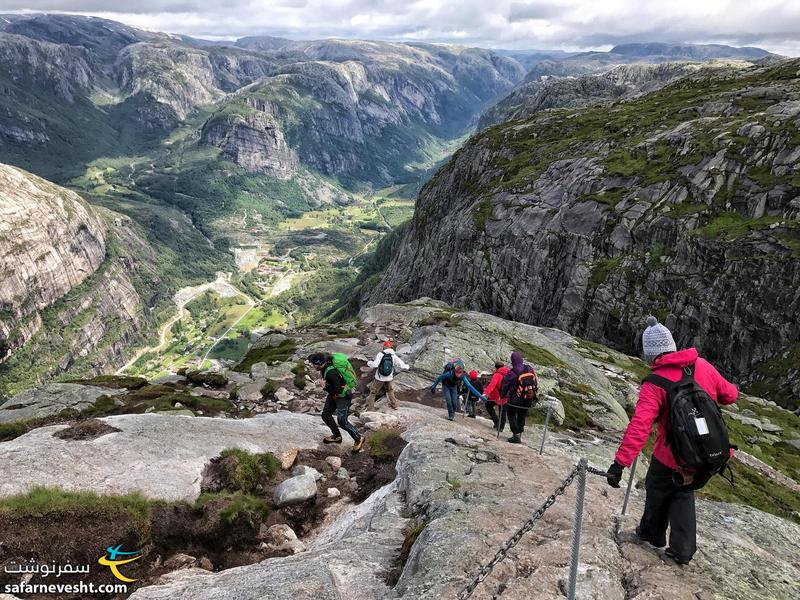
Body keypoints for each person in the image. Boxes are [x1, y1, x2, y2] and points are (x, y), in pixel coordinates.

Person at [605, 317, 738, 565]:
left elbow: (640, 427)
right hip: (708, 453)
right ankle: (682, 548)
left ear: (650, 353)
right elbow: (730, 395)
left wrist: (619, 464)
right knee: (683, 491)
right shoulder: (703, 366)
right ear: (673, 345)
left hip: (671, 456)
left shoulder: (655, 383)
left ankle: (651, 534)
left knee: (657, 487)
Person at [309, 353, 365, 452]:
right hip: (334, 395)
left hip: (343, 397)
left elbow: (338, 390)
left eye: (314, 364)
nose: (313, 366)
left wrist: (324, 387)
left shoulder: (331, 373)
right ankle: (337, 436)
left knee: (342, 422)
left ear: (319, 363)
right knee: (326, 415)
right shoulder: (325, 369)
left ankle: (358, 438)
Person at [359, 340, 410, 412]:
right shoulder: (393, 355)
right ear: (391, 347)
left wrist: (369, 363)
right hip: (389, 377)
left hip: (379, 378)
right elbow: (400, 364)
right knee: (390, 390)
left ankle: (370, 409)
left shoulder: (381, 354)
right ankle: (394, 404)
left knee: (373, 393)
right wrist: (407, 366)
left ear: (384, 346)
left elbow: (375, 365)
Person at [500, 352, 538, 444]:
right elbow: (535, 381)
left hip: (515, 399)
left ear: (512, 360)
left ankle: (515, 434)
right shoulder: (529, 368)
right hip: (528, 398)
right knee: (522, 415)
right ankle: (519, 433)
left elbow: (506, 385)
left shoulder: (512, 372)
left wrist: (503, 395)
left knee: (511, 414)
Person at [484, 361, 509, 432]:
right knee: (503, 411)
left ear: (496, 367)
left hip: (496, 396)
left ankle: (496, 421)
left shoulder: (497, 374)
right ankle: (501, 427)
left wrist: (485, 393)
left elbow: (492, 385)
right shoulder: (510, 373)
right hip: (506, 396)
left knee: (488, 405)